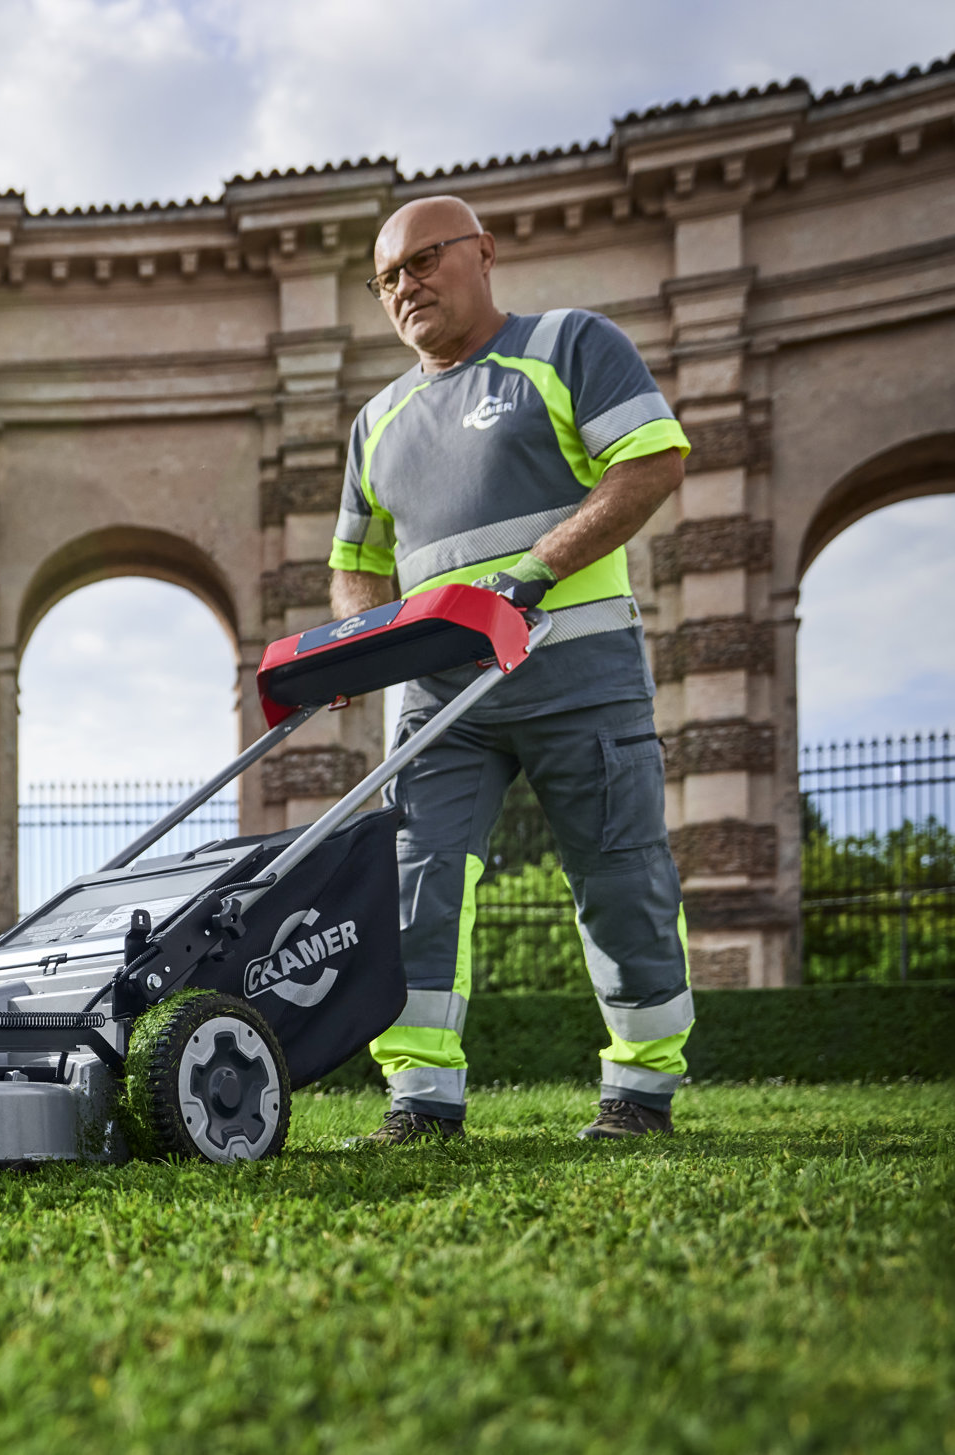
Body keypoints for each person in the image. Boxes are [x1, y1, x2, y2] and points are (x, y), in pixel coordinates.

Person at [329, 196, 694, 1143]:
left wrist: (534, 570)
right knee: (413, 879)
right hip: (441, 694)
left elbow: (650, 462)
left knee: (619, 871)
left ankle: (640, 1089)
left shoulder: (569, 345)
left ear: (482, 252)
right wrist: (357, 637)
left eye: (423, 260)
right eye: (386, 278)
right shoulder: (376, 420)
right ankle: (419, 1098)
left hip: (578, 669)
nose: (405, 286)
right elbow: (355, 560)